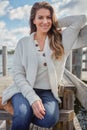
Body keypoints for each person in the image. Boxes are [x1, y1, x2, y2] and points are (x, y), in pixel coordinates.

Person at [2, 1, 87, 130]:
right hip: (24, 90)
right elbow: (18, 74)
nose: (45, 21)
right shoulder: (23, 43)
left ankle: (10, 105)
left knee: (50, 118)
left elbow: (81, 19)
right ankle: (16, 106)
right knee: (23, 112)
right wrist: (33, 99)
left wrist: (53, 24)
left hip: (48, 92)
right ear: (33, 20)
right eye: (40, 17)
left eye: (48, 17)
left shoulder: (61, 41)